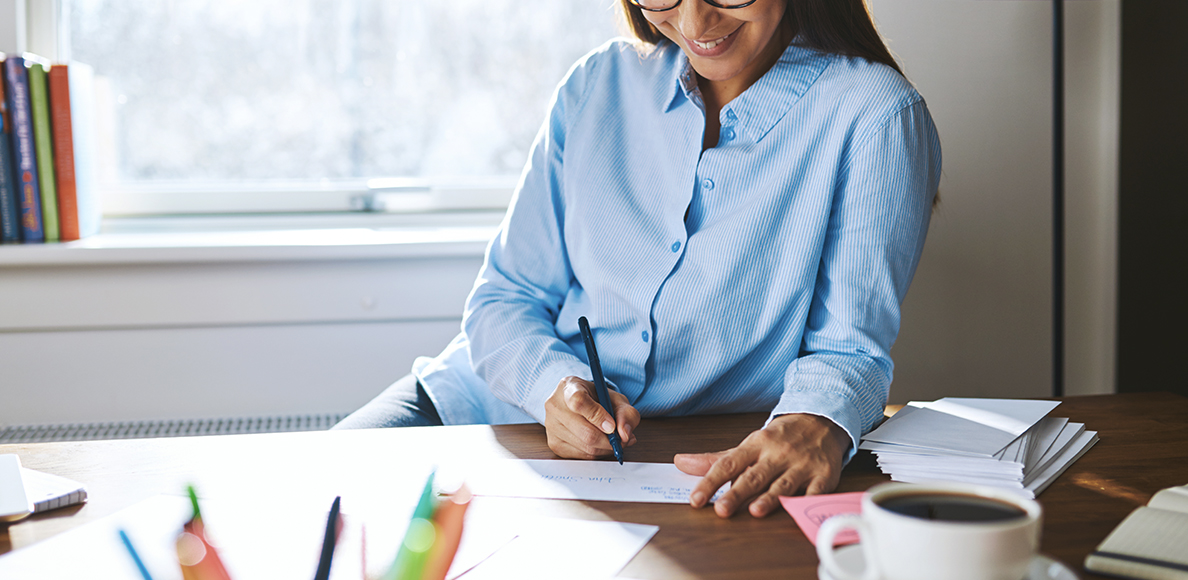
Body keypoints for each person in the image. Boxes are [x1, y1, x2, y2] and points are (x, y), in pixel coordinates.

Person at [336, 0, 941, 519]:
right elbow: (505, 299)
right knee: (300, 510)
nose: (695, 19)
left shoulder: (874, 115)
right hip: (473, 407)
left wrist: (815, 424)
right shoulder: (597, 83)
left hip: (670, 461)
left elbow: (848, 351)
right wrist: (553, 385)